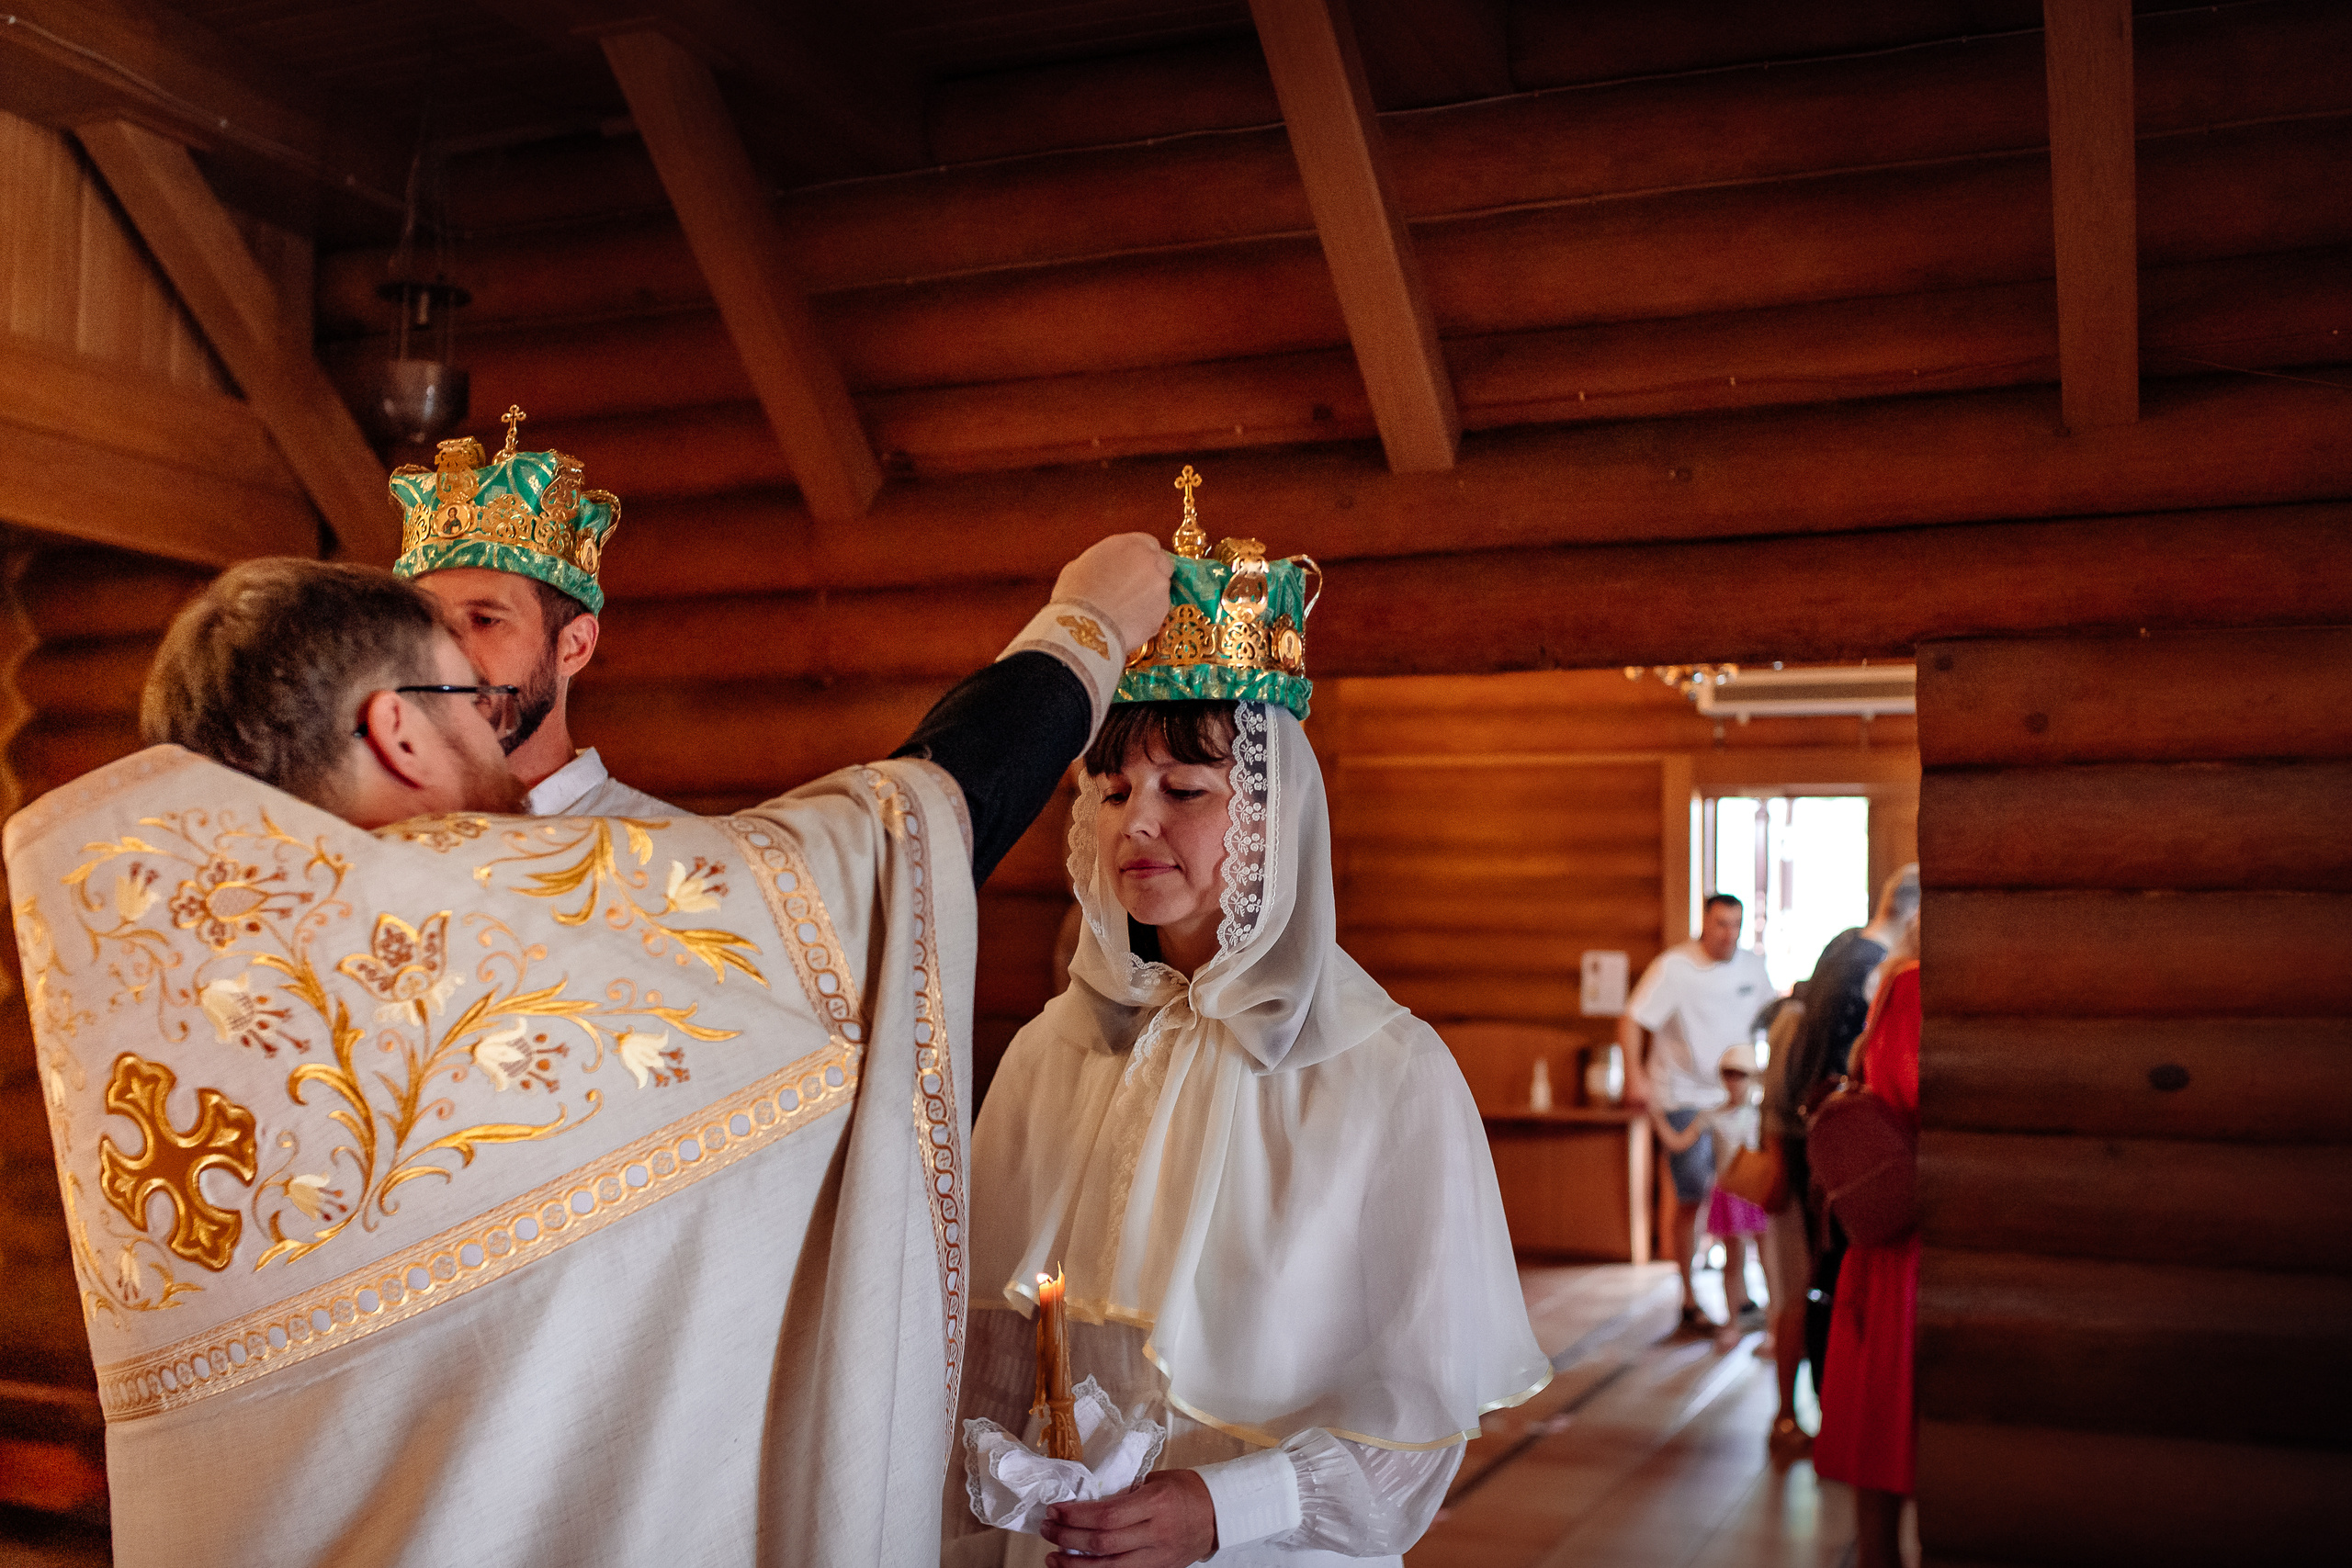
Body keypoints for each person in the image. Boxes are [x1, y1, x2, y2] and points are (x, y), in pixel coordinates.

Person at [15, 519, 1170, 1567]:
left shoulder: (153, 997)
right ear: (398, 732)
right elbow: (888, 850)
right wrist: (1087, 626)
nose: (496, 733)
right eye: (469, 699)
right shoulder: (492, 939)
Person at [952, 507, 1549, 1568]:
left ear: (1272, 820)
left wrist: (1221, 1507)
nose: (1138, 822)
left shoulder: (1384, 1071)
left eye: (1186, 790)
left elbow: (1417, 1424)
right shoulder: (1053, 1054)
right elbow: (988, 1367)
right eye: (1111, 789)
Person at [389, 404, 673, 816]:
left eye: (485, 620)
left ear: (574, 646)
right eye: (428, 622)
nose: (445, 655)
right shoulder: (375, 843)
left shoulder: (668, 852)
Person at [1768, 863, 1920, 1458]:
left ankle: (1827, 1414)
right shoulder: (1879, 974)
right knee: (1821, 1286)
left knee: (1817, 1285)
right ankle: (1828, 1414)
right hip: (1849, 1162)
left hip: (1825, 1153)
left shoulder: (1843, 953)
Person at [1812, 921, 1923, 1568]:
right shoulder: (1910, 987)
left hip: (1894, 1238)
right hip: (1909, 1239)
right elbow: (1913, 1088)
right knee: (1895, 1424)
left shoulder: (1898, 984)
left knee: (1888, 1423)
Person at [1619, 892, 1772, 1332]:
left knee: (1742, 1193)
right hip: (1685, 1097)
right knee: (1694, 1195)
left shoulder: (1751, 967)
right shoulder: (1674, 968)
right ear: (1704, 923)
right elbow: (1633, 1019)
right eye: (1721, 924)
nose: (1729, 933)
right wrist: (1634, 1074)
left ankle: (1740, 1298)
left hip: (1735, 1101)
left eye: (1736, 925)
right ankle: (1688, 1298)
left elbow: (1768, 1021)